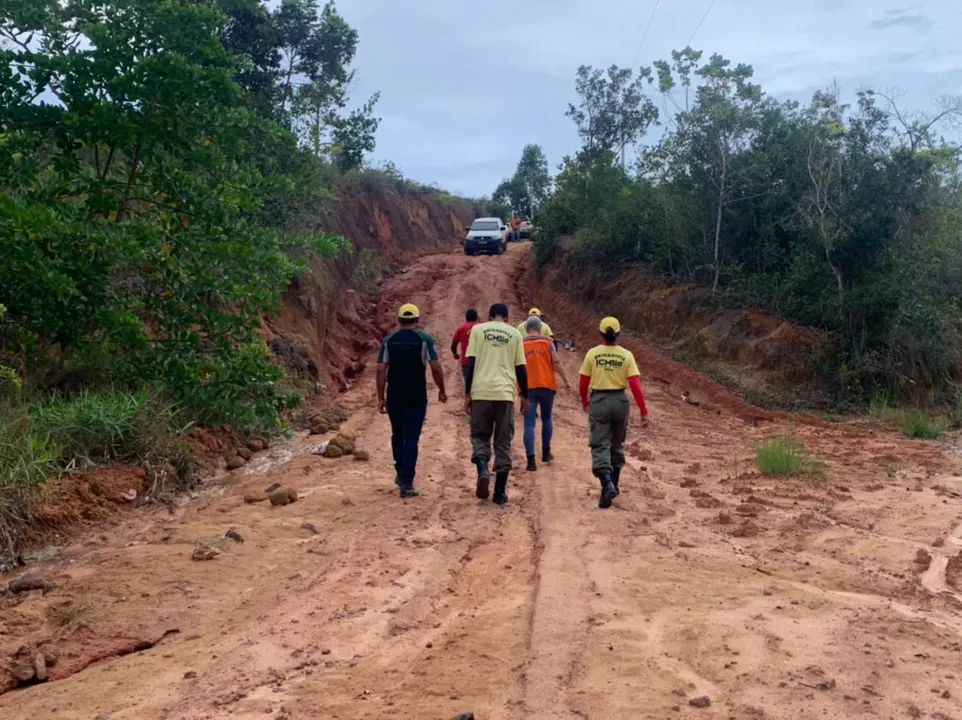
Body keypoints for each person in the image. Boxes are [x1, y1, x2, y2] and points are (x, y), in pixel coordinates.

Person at [376, 303, 447, 498]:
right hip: (416, 395)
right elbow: (435, 367)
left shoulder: (389, 341)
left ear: (399, 320)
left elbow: (381, 369)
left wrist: (381, 397)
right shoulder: (424, 339)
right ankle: (407, 483)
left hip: (395, 394)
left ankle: (400, 471)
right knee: (412, 438)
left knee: (397, 433)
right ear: (417, 320)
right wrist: (441, 389)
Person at [578, 317, 649, 509]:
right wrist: (643, 410)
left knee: (600, 445)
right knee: (616, 445)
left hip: (600, 401)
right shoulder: (626, 355)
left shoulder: (593, 354)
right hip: (620, 401)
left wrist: (585, 400)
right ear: (618, 334)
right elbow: (635, 384)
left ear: (601, 333)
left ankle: (607, 483)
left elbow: (584, 381)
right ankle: (611, 489)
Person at [464, 303, 528, 505]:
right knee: (503, 441)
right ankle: (499, 492)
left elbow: (471, 363)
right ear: (507, 318)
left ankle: (483, 468)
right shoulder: (515, 334)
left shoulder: (478, 330)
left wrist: (468, 393)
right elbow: (521, 368)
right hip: (505, 394)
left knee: (479, 435)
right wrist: (524, 395)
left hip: (481, 391)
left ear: (489, 316)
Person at [522, 315, 571, 472]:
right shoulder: (547, 342)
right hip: (547, 386)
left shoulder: (520, 343)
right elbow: (556, 361)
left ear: (526, 328)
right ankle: (546, 453)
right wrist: (566, 380)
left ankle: (530, 461)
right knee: (547, 418)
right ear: (540, 327)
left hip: (527, 388)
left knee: (529, 424)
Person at [450, 308, 480, 390]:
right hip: (480, 361)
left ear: (466, 317)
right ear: (476, 317)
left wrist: (455, 354)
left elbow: (453, 345)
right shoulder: (481, 328)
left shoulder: (461, 328)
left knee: (469, 385)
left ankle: (469, 401)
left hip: (466, 362)